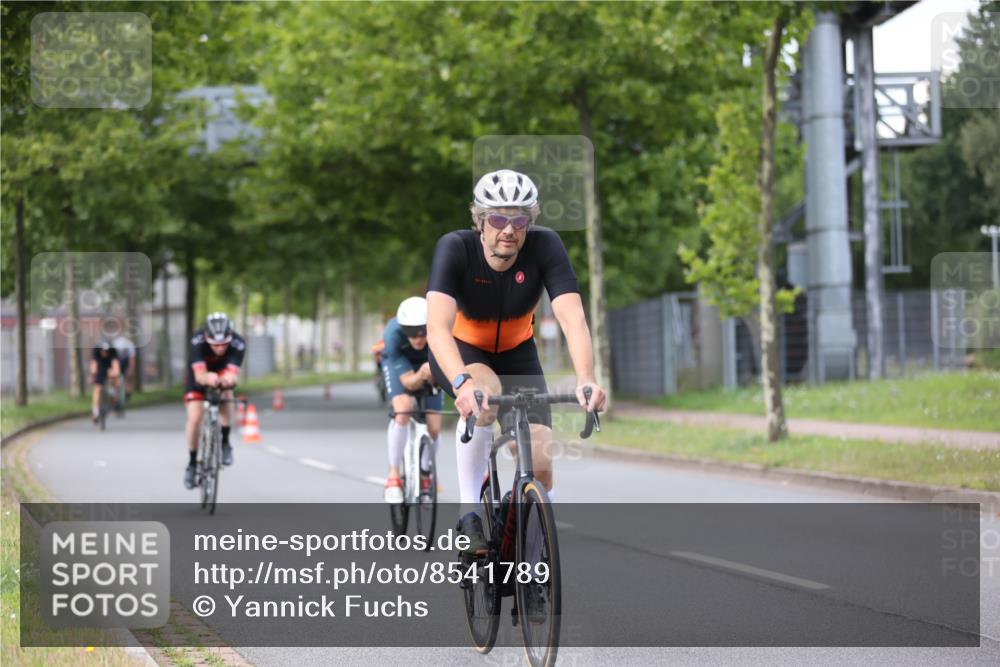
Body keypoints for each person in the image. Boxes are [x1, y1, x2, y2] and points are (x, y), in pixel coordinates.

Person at [426, 169, 607, 553]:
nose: (508, 229)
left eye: (519, 219)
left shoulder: (546, 247)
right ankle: (469, 513)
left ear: (530, 223)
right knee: (484, 398)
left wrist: (586, 378)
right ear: (479, 221)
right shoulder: (455, 248)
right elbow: (437, 329)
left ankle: (532, 562)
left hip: (518, 353)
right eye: (497, 218)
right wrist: (461, 382)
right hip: (463, 351)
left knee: (541, 464)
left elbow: (572, 318)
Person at [381, 296, 443, 503]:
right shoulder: (393, 335)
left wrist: (434, 376)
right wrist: (421, 375)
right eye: (410, 332)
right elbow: (408, 383)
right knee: (403, 408)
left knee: (434, 427)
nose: (417, 337)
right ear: (402, 328)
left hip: (429, 365)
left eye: (422, 331)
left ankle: (426, 474)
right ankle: (393, 476)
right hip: (401, 367)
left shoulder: (440, 332)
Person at [183, 312, 246, 489]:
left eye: (224, 344)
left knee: (227, 395)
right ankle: (192, 462)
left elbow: (233, 373)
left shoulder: (238, 343)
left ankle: (225, 441)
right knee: (195, 419)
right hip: (200, 375)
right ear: (206, 338)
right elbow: (199, 375)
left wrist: (227, 379)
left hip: (223, 372)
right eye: (215, 345)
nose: (220, 348)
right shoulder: (197, 341)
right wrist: (207, 378)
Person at [89, 341, 120, 423]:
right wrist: (92, 376)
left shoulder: (113, 353)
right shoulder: (96, 352)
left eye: (106, 351)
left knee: (114, 380)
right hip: (100, 369)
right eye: (102, 351)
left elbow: (116, 368)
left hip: (109, 368)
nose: (104, 353)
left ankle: (113, 396)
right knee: (97, 389)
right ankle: (95, 412)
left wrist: (114, 374)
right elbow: (93, 367)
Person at [112, 333, 136, 409]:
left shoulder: (129, 345)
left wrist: (130, 370)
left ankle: (127, 394)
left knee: (128, 379)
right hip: (117, 362)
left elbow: (131, 359)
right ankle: (115, 399)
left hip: (125, 362)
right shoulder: (115, 344)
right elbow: (112, 360)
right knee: (115, 380)